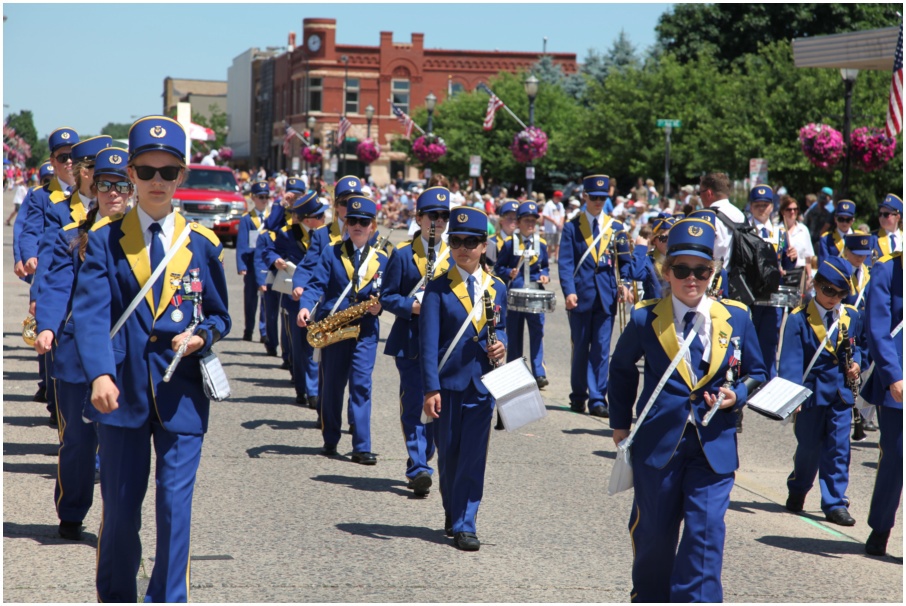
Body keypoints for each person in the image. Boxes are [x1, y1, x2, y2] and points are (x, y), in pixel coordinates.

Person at [70, 117, 230, 602]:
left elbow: (220, 316)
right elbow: (91, 315)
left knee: (175, 510)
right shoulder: (104, 239)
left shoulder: (202, 243)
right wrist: (99, 373)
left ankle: (168, 598)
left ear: (182, 176)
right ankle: (117, 595)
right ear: (131, 176)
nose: (157, 181)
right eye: (145, 171)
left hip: (182, 394)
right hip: (122, 393)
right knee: (120, 512)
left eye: (168, 172)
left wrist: (203, 337)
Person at [609, 217, 767, 602]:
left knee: (706, 535)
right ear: (667, 272)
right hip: (659, 444)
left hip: (714, 445)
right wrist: (620, 424)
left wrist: (736, 396)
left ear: (713, 273)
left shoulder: (737, 316)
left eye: (701, 270)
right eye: (681, 270)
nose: (691, 279)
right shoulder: (646, 317)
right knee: (654, 536)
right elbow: (621, 367)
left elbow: (758, 372)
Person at [33, 147, 131, 541]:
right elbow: (56, 285)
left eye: (121, 185)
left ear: (132, 188)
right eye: (105, 185)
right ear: (93, 187)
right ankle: (72, 511)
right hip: (77, 354)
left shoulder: (145, 242)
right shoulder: (72, 236)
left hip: (126, 354)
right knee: (77, 440)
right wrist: (47, 326)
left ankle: (118, 523)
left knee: (122, 444)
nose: (113, 193)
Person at [421, 206, 507, 551]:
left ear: (484, 246)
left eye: (471, 242)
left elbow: (502, 328)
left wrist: (502, 345)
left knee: (473, 457)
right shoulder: (438, 288)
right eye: (456, 241)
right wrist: (430, 388)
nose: (463, 248)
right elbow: (428, 344)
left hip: (482, 384)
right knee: (449, 455)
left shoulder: (496, 287)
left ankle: (465, 522)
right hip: (447, 385)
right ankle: (452, 508)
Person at [298, 196, 386, 463]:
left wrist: (380, 307)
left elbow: (389, 293)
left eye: (364, 222)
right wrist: (305, 307)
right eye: (352, 220)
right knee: (333, 386)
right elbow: (316, 284)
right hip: (334, 328)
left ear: (372, 226)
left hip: (365, 330)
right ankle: (331, 438)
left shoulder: (382, 258)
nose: (358, 225)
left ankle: (362, 446)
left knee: (361, 385)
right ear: (345, 223)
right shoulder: (331, 252)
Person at [780, 257, 863, 527]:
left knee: (839, 449)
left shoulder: (850, 315)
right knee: (809, 447)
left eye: (840, 293)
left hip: (840, 394)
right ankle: (798, 487)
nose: (833, 298)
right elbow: (791, 361)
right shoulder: (799, 318)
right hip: (811, 395)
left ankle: (835, 502)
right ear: (815, 285)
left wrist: (857, 363)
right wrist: (793, 396)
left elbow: (859, 346)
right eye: (828, 291)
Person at [381, 187, 452, 495]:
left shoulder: (456, 253)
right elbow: (387, 296)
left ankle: (425, 454)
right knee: (413, 403)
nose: (438, 221)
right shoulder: (402, 254)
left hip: (444, 344)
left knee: (438, 406)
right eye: (432, 215)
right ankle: (418, 466)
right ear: (419, 218)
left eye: (444, 215)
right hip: (410, 340)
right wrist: (412, 306)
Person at [558, 175, 631, 417]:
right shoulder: (572, 227)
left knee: (601, 348)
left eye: (602, 197)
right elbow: (565, 263)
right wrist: (569, 291)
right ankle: (578, 396)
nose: (598, 202)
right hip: (581, 295)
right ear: (585, 196)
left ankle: (598, 399)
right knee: (580, 347)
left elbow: (625, 261)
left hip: (606, 295)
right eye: (594, 197)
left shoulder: (616, 227)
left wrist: (625, 284)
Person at [16, 129, 79, 407]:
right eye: (63, 157)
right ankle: (55, 400)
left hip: (82, 279)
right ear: (52, 162)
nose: (69, 162)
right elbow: (29, 231)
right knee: (53, 338)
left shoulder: (90, 193)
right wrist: (27, 256)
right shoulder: (41, 196)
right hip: (50, 275)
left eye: (73, 156)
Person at [860, 247, 903, 556]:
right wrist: (892, 375)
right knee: (897, 455)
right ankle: (881, 525)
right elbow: (877, 328)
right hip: (899, 375)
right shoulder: (887, 269)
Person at [276, 190, 326, 407]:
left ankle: (313, 392)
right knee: (299, 347)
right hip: (295, 297)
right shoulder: (288, 233)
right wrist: (276, 261)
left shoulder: (326, 235)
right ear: (307, 220)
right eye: (320, 216)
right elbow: (270, 247)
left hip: (319, 297)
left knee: (315, 344)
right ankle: (301, 387)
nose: (325, 218)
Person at [494, 201, 550, 388]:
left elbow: (545, 266)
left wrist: (545, 275)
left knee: (537, 332)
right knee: (514, 333)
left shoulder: (541, 243)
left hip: (535, 294)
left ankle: (539, 372)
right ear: (518, 222)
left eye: (533, 221)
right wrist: (508, 272)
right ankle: (514, 372)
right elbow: (499, 267)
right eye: (527, 220)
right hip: (515, 295)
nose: (531, 224)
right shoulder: (510, 243)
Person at [747, 185, 796, 379]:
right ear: (751, 206)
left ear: (772, 206)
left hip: (774, 296)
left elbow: (786, 264)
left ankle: (768, 379)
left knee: (770, 341)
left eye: (765, 204)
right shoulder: (745, 230)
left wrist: (791, 258)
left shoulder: (780, 233)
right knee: (749, 338)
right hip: (751, 294)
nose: (761, 208)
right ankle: (750, 378)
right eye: (757, 205)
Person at [236, 180, 271, 342]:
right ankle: (248, 329)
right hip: (250, 263)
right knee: (250, 299)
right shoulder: (247, 218)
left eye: (266, 197)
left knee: (266, 299)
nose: (264, 200)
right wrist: (241, 265)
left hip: (266, 262)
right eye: (260, 197)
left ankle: (264, 331)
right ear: (253, 198)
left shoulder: (272, 217)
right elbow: (242, 243)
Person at [698, 172, 745, 270]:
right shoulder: (741, 215)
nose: (700, 197)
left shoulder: (707, 218)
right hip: (739, 276)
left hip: (714, 275)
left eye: (700, 193)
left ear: (709, 193)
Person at [817, 200, 856, 265]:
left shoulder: (859, 237)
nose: (844, 223)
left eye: (848, 220)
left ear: (853, 220)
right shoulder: (826, 239)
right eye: (841, 219)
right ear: (835, 219)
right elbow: (823, 265)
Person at [870, 194, 902, 259]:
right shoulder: (872, 238)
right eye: (880, 214)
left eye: (886, 214)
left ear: (897, 217)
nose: (882, 217)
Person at [804, 187, 834, 252]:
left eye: (826, 196)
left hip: (822, 240)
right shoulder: (813, 208)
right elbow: (806, 221)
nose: (823, 197)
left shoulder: (831, 208)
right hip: (811, 237)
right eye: (822, 194)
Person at [542, 190, 565, 262]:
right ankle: (548, 257)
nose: (560, 199)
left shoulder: (560, 205)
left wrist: (561, 223)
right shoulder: (549, 204)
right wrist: (554, 221)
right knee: (549, 243)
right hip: (550, 228)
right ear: (555, 197)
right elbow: (545, 215)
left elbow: (562, 215)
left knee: (557, 243)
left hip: (558, 227)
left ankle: (556, 257)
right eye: (559, 197)